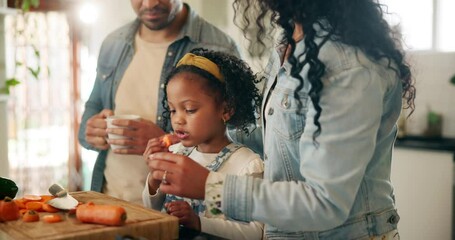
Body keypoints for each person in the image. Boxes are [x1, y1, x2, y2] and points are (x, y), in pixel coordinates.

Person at [146, 0, 417, 239]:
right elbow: (281, 139)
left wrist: (209, 187)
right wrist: (194, 138)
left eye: (190, 109)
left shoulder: (349, 66)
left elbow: (326, 203)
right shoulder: (290, 41)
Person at [77, 0, 240, 204]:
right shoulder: (113, 43)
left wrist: (167, 140)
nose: (150, 3)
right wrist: (91, 130)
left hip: (175, 212)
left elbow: (242, 135)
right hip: (107, 199)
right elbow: (93, 107)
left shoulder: (218, 47)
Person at [143, 48, 264, 239]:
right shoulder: (175, 153)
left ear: (226, 110)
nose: (178, 120)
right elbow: (151, 210)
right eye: (173, 110)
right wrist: (154, 178)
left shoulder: (246, 165)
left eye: (190, 110)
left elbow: (256, 233)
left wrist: (199, 223)